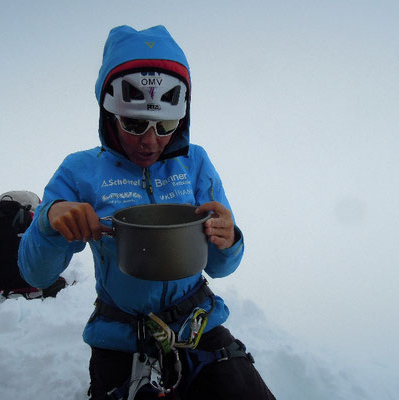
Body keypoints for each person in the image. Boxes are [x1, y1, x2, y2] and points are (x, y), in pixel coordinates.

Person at [18, 25, 276, 399]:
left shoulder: (195, 163)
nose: (151, 141)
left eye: (165, 125)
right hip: (122, 341)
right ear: (109, 115)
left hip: (200, 329)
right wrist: (49, 220)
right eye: (135, 123)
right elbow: (36, 274)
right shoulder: (79, 172)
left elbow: (220, 267)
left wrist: (230, 238)